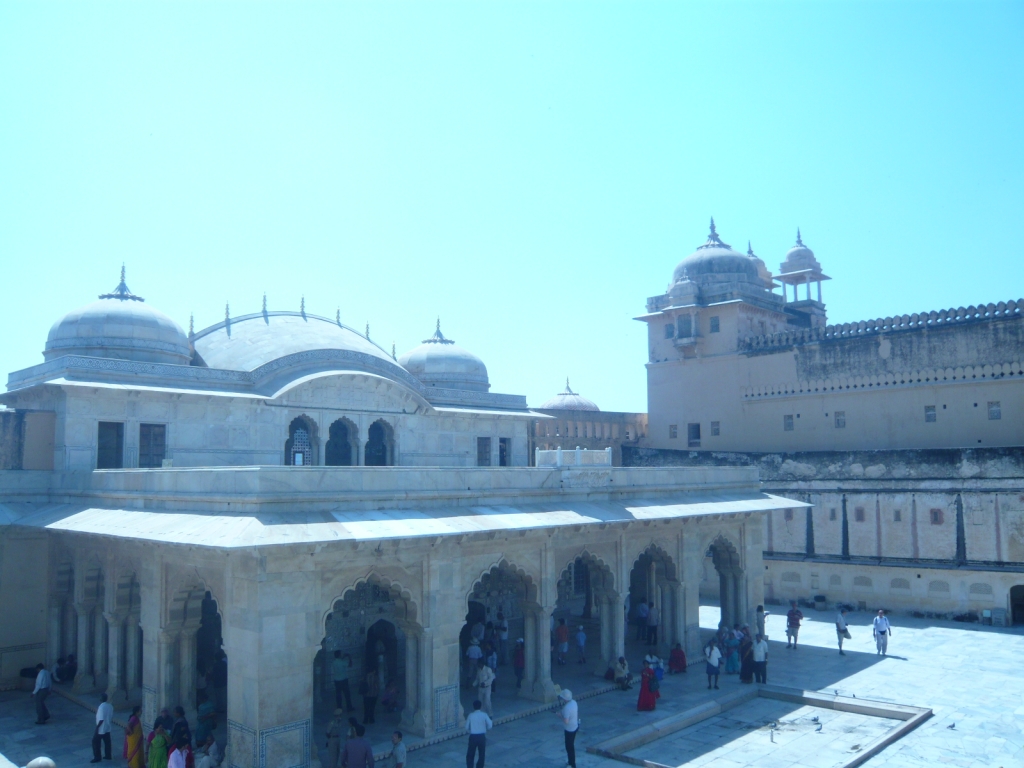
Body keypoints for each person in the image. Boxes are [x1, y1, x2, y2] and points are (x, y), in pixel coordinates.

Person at [465, 700, 492, 768]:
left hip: (473, 737)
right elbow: (490, 725)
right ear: (480, 706)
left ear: (473, 707)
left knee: (470, 754)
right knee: (481, 754)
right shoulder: (484, 715)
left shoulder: (471, 715)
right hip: (481, 737)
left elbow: (466, 727)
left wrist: (470, 731)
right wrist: (486, 729)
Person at [557, 689, 579, 768]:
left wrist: (560, 716)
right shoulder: (574, 702)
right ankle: (571, 762)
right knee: (571, 745)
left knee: (569, 747)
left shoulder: (567, 708)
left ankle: (572, 764)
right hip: (575, 726)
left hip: (569, 729)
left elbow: (566, 721)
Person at [91, 692, 114, 763]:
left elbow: (101, 719)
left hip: (101, 728)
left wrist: (97, 727)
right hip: (107, 727)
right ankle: (108, 755)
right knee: (107, 742)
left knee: (95, 741)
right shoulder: (110, 706)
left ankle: (97, 757)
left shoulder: (101, 707)